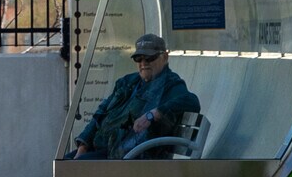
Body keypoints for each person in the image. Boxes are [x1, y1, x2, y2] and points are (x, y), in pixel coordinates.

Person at [71, 34, 200, 159]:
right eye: (138, 58)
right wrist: (83, 145)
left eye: (149, 58)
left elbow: (191, 101)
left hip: (128, 157)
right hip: (103, 148)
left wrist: (153, 114)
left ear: (165, 57)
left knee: (74, 169)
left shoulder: (170, 84)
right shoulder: (127, 82)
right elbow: (100, 114)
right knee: (64, 162)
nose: (143, 63)